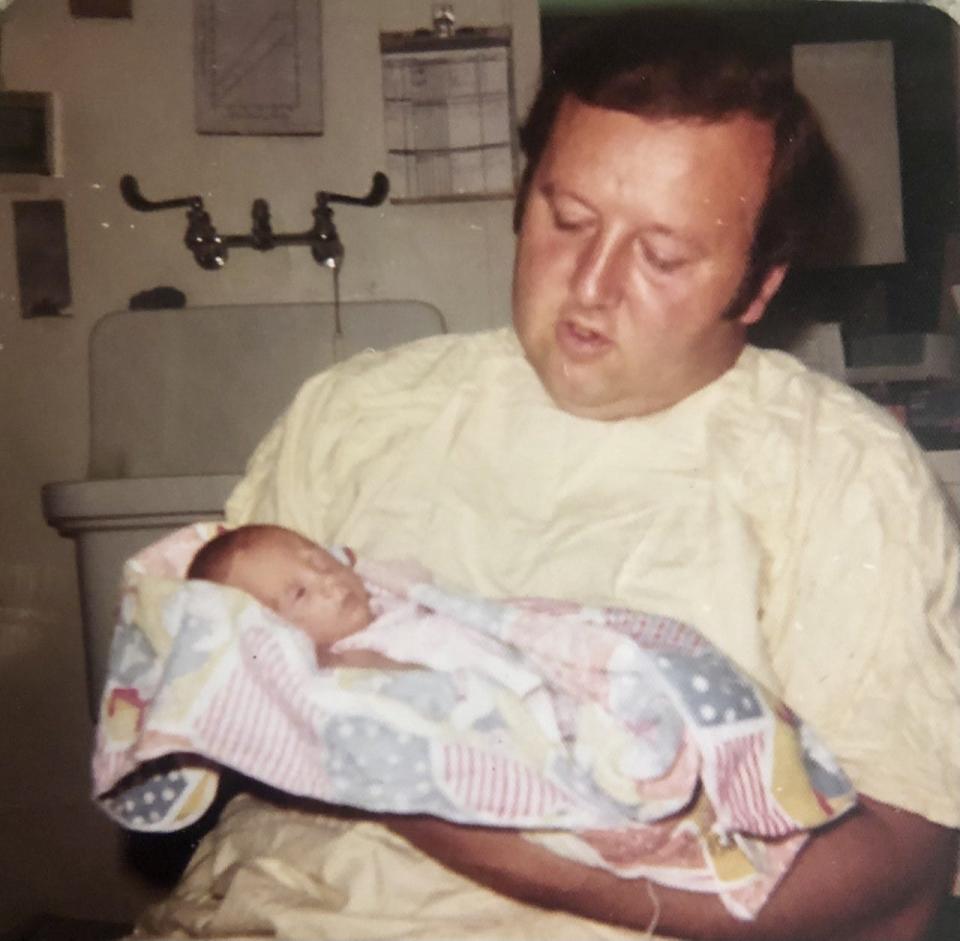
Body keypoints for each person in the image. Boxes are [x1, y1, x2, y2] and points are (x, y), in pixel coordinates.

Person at [216, 10, 959, 941]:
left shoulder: (841, 472)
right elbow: (203, 677)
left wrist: (530, 868)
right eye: (567, 220)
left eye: (663, 254)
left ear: (760, 287)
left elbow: (901, 879)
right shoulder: (359, 410)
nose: (592, 285)